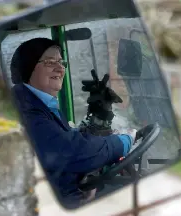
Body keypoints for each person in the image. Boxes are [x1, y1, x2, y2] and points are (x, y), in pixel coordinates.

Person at [10, 37, 136, 206]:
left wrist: (98, 119)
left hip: (73, 190)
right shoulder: (27, 109)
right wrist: (123, 142)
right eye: (49, 62)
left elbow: (61, 144)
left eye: (61, 62)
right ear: (28, 66)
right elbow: (70, 152)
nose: (60, 68)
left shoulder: (41, 103)